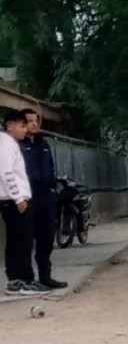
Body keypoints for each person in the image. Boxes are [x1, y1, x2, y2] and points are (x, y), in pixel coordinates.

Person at [1, 111, 49, 295]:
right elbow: (6, 173)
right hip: (13, 201)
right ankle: (21, 279)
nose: (24, 130)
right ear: (11, 125)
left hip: (13, 199)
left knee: (19, 240)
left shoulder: (11, 144)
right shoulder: (6, 145)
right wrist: (18, 198)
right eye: (22, 126)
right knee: (22, 240)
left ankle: (20, 279)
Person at [20, 108, 66, 289]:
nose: (34, 123)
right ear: (22, 124)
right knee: (25, 240)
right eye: (29, 120)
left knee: (46, 238)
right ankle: (26, 279)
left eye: (35, 120)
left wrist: (53, 190)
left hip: (46, 197)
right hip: (28, 197)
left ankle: (45, 276)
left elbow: (50, 168)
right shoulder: (18, 146)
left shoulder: (44, 145)